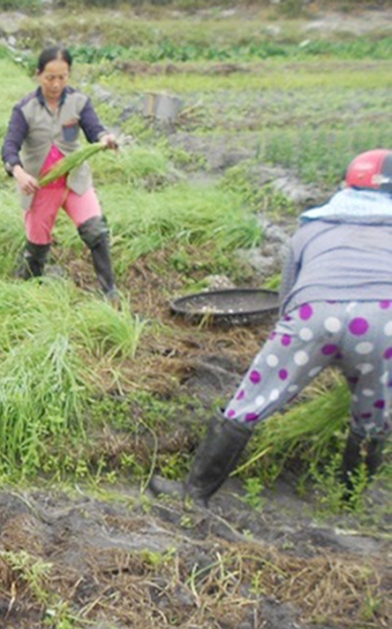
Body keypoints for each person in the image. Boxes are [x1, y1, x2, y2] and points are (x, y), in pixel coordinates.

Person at [149, 149, 392, 507]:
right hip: (384, 319)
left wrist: (296, 348)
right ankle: (348, 502)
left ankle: (194, 493)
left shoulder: (312, 228)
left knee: (251, 401)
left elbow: (288, 294)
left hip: (314, 313)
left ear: (346, 186)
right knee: (372, 417)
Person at [1, 45, 121, 301]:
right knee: (38, 247)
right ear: (38, 75)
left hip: (75, 181)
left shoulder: (79, 102)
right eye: (50, 77)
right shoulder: (25, 109)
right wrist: (19, 172)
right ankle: (30, 293)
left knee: (96, 232)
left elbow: (94, 130)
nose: (56, 84)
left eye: (62, 77)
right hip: (41, 187)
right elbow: (9, 147)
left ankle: (109, 292)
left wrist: (105, 138)